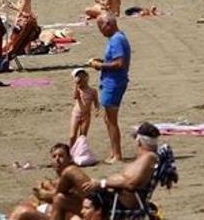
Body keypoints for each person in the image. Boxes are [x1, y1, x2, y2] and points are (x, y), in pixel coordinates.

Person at [83, 122, 163, 213]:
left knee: (71, 173)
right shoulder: (148, 158)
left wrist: (102, 183)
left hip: (119, 202)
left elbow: (131, 184)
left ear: (139, 141)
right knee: (64, 198)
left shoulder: (149, 157)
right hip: (117, 197)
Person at [8, 142, 91, 220]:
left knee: (22, 212)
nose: (57, 159)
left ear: (69, 159)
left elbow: (73, 202)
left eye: (61, 156)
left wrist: (49, 191)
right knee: (22, 209)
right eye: (54, 156)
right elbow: (34, 202)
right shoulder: (50, 183)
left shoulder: (73, 181)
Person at [88, 13, 130, 163]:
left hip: (114, 83)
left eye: (101, 28)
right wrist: (102, 61)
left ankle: (117, 154)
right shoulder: (117, 38)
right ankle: (114, 152)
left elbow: (119, 63)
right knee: (108, 119)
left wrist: (100, 65)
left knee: (112, 120)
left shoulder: (117, 39)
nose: (101, 32)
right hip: (111, 81)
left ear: (108, 25)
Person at [69, 68, 99, 145]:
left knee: (82, 136)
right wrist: (76, 85)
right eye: (78, 76)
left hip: (86, 116)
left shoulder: (92, 91)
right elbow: (75, 96)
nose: (81, 78)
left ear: (87, 77)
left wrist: (97, 109)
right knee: (72, 136)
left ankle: (79, 151)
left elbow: (96, 101)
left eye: (83, 76)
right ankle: (70, 151)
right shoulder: (78, 90)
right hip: (76, 114)